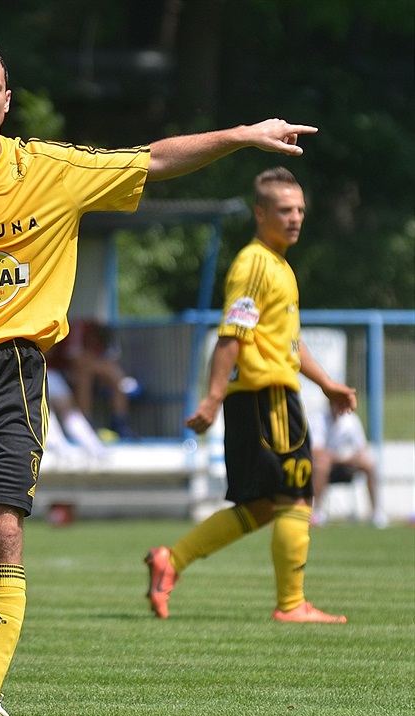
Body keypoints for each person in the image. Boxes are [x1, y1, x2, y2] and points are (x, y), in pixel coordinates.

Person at [0, 39, 319, 716]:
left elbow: (155, 157)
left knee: (4, 523)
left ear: (8, 99)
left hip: (12, 370)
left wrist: (243, 136)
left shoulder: (49, 167)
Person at [145, 167, 355, 624]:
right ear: (260, 213)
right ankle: (292, 605)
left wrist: (328, 385)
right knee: (296, 497)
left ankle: (171, 560)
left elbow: (290, 346)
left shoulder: (278, 264)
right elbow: (231, 334)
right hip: (267, 397)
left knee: (261, 505)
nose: (296, 217)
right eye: (284, 209)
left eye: (300, 209)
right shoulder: (257, 264)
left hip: (269, 396)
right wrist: (212, 398)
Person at [48, 319, 140, 437]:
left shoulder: (108, 336)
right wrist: (97, 366)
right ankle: (86, 422)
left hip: (97, 374)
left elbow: (112, 361)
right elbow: (75, 361)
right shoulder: (79, 330)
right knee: (84, 376)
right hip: (63, 373)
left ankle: (120, 423)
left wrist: (98, 368)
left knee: (117, 377)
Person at [310, 400, 387, 528]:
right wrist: (343, 458)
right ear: (330, 405)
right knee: (321, 465)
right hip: (328, 468)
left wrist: (353, 458)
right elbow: (317, 452)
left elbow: (362, 449)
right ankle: (317, 512)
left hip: (347, 466)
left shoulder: (352, 421)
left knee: (369, 464)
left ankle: (376, 512)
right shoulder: (318, 419)